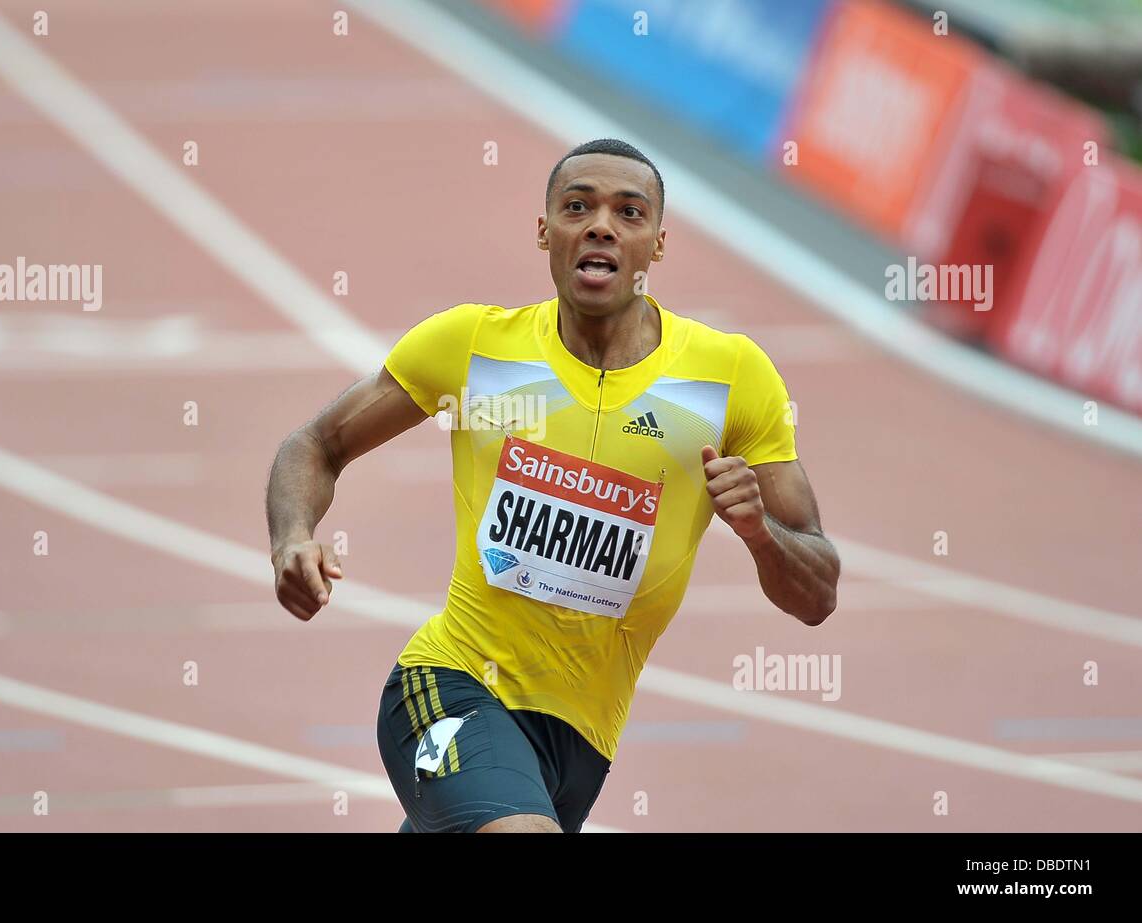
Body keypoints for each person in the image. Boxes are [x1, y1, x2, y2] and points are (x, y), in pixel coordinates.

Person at [266, 138, 840, 833]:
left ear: (657, 244)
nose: (601, 225)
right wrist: (292, 537)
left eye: (629, 212)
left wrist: (758, 533)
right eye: (578, 206)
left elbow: (816, 592)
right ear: (546, 230)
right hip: (451, 685)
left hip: (580, 749)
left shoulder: (730, 378)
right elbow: (317, 444)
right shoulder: (474, 346)